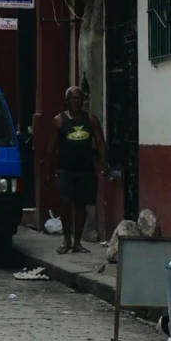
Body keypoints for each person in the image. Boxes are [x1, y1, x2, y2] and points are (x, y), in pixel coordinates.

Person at [51, 86, 104, 256]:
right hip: (65, 169)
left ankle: (77, 242)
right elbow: (51, 147)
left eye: (79, 98)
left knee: (81, 205)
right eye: (73, 98)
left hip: (85, 169)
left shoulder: (91, 120)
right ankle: (66, 239)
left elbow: (100, 143)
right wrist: (47, 170)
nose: (76, 101)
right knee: (65, 203)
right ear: (67, 101)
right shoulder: (59, 120)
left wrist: (103, 162)